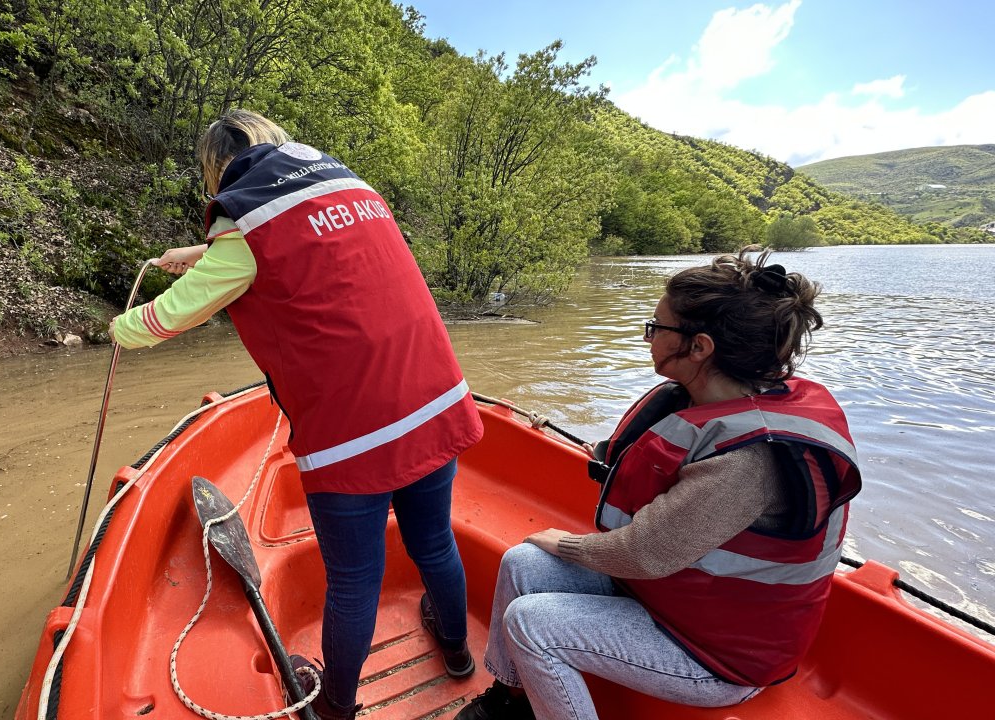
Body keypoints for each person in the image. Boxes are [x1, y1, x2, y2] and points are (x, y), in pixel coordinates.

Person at [109, 109, 484, 720]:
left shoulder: (243, 218)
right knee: (434, 541)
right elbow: (290, 246)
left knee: (356, 579)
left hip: (354, 426)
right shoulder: (344, 182)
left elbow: (180, 311)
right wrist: (201, 250)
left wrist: (122, 329)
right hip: (435, 395)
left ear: (216, 166)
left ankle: (335, 705)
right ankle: (459, 651)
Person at [457, 249, 862, 720]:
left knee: (532, 623)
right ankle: (509, 701)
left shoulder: (750, 459)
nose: (648, 337)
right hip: (674, 601)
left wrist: (569, 545)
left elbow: (644, 553)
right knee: (522, 562)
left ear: (699, 347)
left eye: (656, 328)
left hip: (718, 656)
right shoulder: (712, 403)